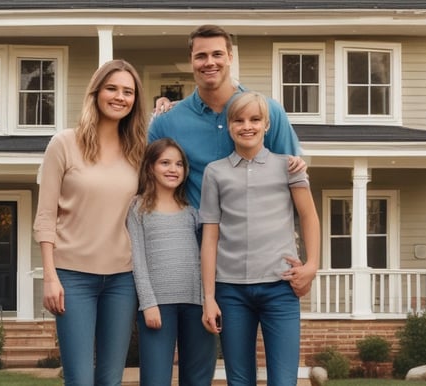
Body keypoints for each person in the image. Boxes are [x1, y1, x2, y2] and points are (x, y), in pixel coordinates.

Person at [33, 59, 148, 386]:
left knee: (110, 379)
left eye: (128, 92)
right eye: (112, 88)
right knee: (80, 379)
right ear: (96, 93)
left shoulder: (138, 151)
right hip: (72, 278)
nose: (120, 97)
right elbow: (45, 216)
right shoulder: (63, 144)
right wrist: (50, 277)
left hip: (123, 280)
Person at [199, 91, 321, 385]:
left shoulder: (288, 166)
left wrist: (312, 265)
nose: (247, 126)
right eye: (238, 120)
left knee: (283, 380)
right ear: (229, 126)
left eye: (255, 119)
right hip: (231, 291)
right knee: (239, 380)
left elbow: (309, 217)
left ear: (267, 124)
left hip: (280, 287)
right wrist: (209, 298)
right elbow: (210, 236)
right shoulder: (215, 173)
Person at [148, 24, 305, 210]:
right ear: (191, 60)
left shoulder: (269, 112)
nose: (209, 62)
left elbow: (294, 178)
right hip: (193, 236)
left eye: (217, 54)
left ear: (230, 57)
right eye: (201, 56)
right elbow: (148, 186)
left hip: (257, 235)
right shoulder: (166, 122)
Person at [127, 138, 217, 386]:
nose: (172, 169)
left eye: (179, 164)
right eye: (165, 162)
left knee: (198, 378)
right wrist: (148, 304)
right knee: (155, 379)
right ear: (150, 168)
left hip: (196, 305)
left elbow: (204, 258)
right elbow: (138, 260)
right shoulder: (137, 209)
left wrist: (206, 301)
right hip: (158, 306)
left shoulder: (193, 212)